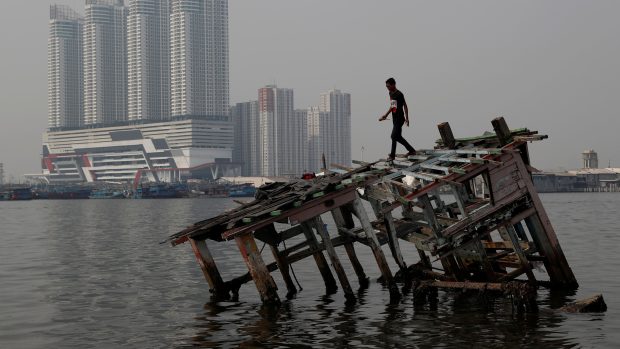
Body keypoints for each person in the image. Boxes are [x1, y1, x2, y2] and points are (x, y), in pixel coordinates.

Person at [379, 77, 416, 161]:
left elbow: (405, 106)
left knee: (393, 136)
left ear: (393, 85)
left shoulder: (399, 94)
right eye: (386, 86)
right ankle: (411, 150)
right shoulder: (390, 93)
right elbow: (393, 105)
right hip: (394, 118)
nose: (387, 88)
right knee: (397, 136)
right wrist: (386, 115)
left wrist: (407, 118)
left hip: (400, 118)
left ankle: (392, 156)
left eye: (388, 86)